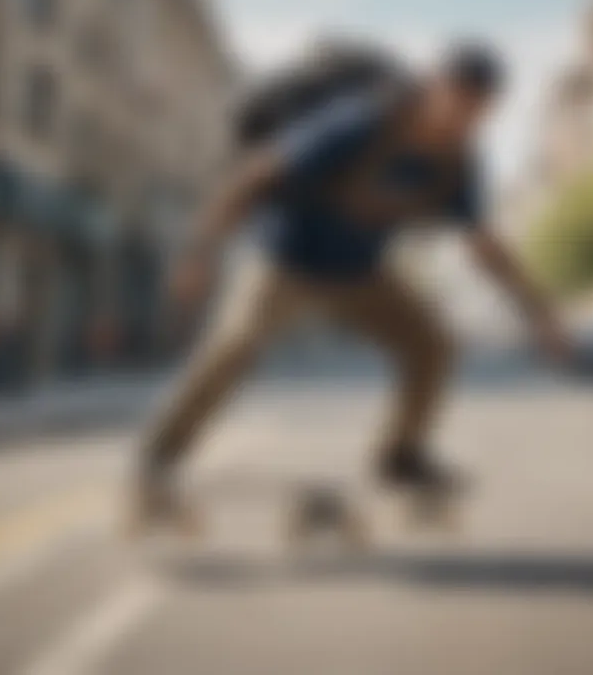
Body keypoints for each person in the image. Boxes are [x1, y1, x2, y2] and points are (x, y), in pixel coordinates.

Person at [134, 41, 570, 531]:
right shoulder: (362, 122)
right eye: (455, 100)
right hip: (286, 261)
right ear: (432, 87)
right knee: (236, 344)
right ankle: (158, 462)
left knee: (433, 344)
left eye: (477, 111)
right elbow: (256, 176)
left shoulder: (459, 164)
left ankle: (399, 457)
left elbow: (485, 246)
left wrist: (540, 312)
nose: (460, 119)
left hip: (361, 274)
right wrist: (201, 253)